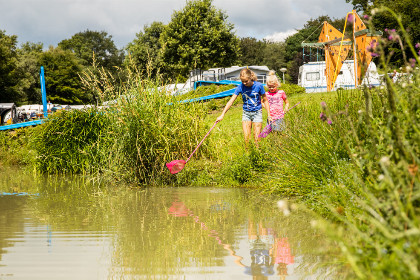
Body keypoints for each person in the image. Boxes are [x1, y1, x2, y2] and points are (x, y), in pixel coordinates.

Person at [216, 68, 271, 146]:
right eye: (242, 81)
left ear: (250, 78)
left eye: (246, 81)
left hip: (257, 113)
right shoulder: (240, 87)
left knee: (257, 139)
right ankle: (248, 155)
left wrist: (269, 114)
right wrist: (222, 114)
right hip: (246, 114)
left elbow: (265, 100)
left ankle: (258, 155)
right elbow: (231, 101)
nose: (244, 83)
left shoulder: (259, 86)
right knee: (246, 139)